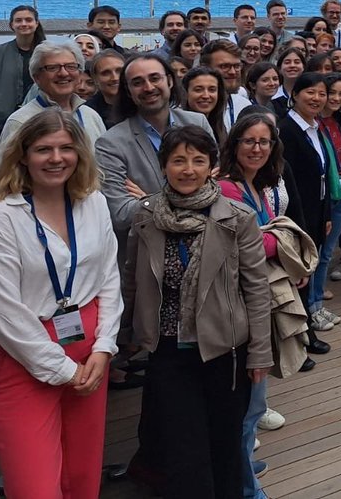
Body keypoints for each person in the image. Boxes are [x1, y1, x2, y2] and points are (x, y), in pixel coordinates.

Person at [0, 109, 122, 499]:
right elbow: (2, 312)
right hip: (25, 355)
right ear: (23, 155)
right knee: (35, 487)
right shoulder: (1, 219)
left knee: (82, 479)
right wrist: (62, 369)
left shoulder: (94, 203)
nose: (56, 158)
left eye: (65, 148)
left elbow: (109, 279)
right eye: (43, 149)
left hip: (90, 352)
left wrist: (105, 347)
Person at [122, 126, 272, 499]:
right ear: (163, 166)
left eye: (197, 160)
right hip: (168, 352)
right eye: (178, 160)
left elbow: (256, 288)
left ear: (212, 167)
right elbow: (131, 281)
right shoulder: (146, 217)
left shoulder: (237, 217)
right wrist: (124, 338)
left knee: (224, 444)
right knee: (183, 450)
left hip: (226, 351)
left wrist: (260, 352)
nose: (187, 169)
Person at [216, 109, 307, 498]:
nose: (257, 148)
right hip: (239, 307)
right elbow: (254, 243)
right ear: (234, 145)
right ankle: (244, 486)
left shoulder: (256, 187)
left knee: (256, 398)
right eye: (249, 141)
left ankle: (240, 464)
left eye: (264, 142)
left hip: (259, 300)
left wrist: (277, 244)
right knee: (246, 403)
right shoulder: (227, 189)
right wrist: (282, 244)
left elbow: (268, 236)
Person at [96, 54, 215, 249]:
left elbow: (215, 188)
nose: (148, 87)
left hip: (203, 247)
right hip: (147, 257)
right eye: (137, 82)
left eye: (154, 78)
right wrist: (190, 196)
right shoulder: (110, 144)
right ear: (128, 91)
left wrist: (148, 200)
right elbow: (120, 213)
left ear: (169, 80)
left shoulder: (198, 123)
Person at [275, 73, 335, 355]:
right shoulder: (286, 130)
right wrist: (301, 223)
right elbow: (289, 182)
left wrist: (325, 215)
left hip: (315, 210)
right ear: (295, 95)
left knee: (306, 274)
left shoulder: (314, 127)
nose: (317, 98)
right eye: (310, 92)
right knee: (297, 276)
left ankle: (304, 331)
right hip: (297, 216)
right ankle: (301, 338)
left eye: (322, 93)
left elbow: (321, 174)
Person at [1, 37, 107, 148]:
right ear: (36, 77)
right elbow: (8, 165)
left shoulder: (91, 116)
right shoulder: (20, 121)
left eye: (71, 66)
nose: (63, 73)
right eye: (52, 68)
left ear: (79, 74)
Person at [313, 75, 341, 304]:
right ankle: (314, 299)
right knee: (317, 250)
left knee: (328, 251)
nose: (337, 98)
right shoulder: (313, 124)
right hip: (323, 196)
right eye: (332, 93)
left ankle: (318, 290)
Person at [0, 4, 45, 153]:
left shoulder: (47, 53)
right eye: (19, 20)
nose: (24, 24)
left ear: (36, 23)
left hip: (39, 121)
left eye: (28, 20)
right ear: (11, 25)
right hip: (0, 123)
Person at [202, 39, 253, 129]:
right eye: (224, 66)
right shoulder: (196, 105)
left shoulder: (244, 105)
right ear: (205, 68)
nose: (233, 72)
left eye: (237, 66)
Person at [182, 66, 229, 145]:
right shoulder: (177, 127)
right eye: (198, 90)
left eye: (212, 90)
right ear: (186, 93)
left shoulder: (221, 130)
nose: (206, 96)